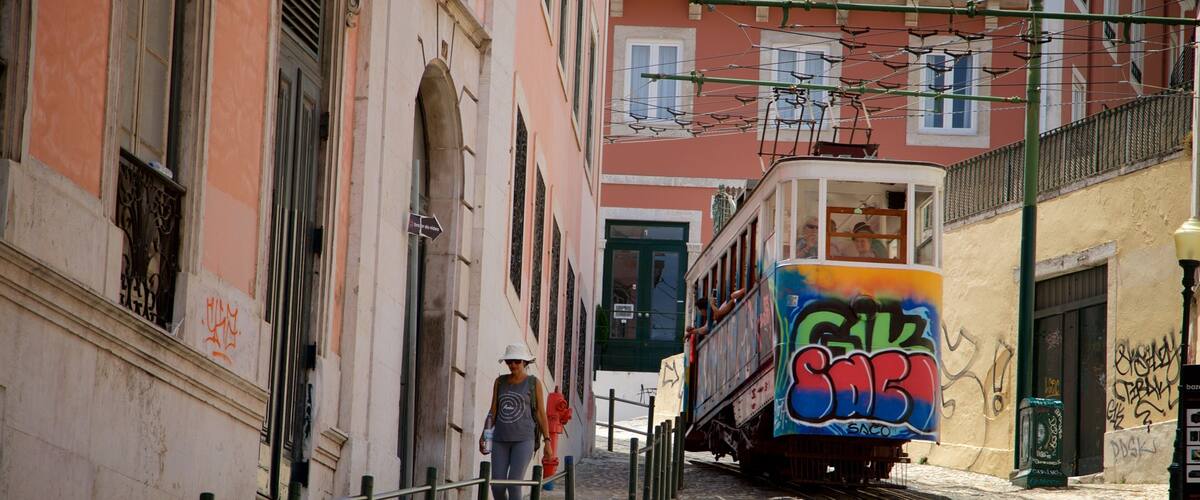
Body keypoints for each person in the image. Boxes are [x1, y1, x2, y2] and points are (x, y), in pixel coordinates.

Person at [480, 344, 551, 500]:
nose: (512, 365)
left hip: (524, 440)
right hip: (499, 439)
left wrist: (547, 441)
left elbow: (541, 413)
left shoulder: (534, 383)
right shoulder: (500, 382)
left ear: (525, 362)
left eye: (517, 361)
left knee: (514, 484)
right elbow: (493, 410)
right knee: (497, 486)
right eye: (509, 361)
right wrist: (484, 434)